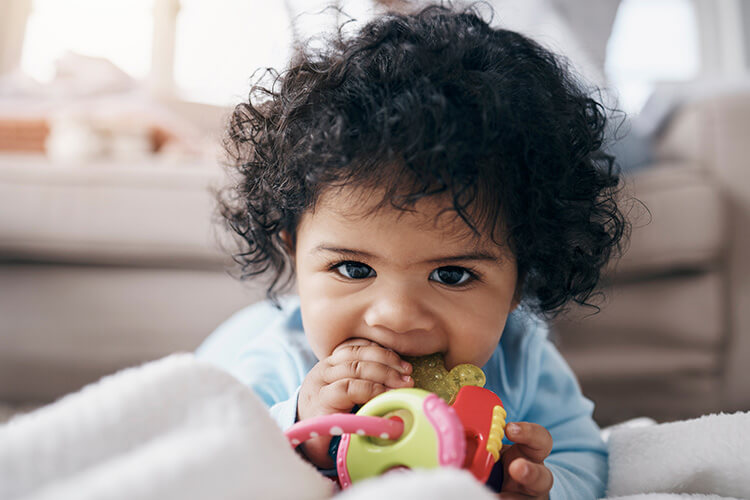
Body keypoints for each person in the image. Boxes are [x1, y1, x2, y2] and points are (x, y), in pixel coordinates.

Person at [196, 3, 628, 498]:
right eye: (353, 268)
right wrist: (303, 432)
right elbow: (214, 460)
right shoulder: (276, 360)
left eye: (451, 275)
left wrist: (543, 483)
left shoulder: (524, 362)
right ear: (295, 255)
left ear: (519, 280)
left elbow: (588, 459)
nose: (397, 317)